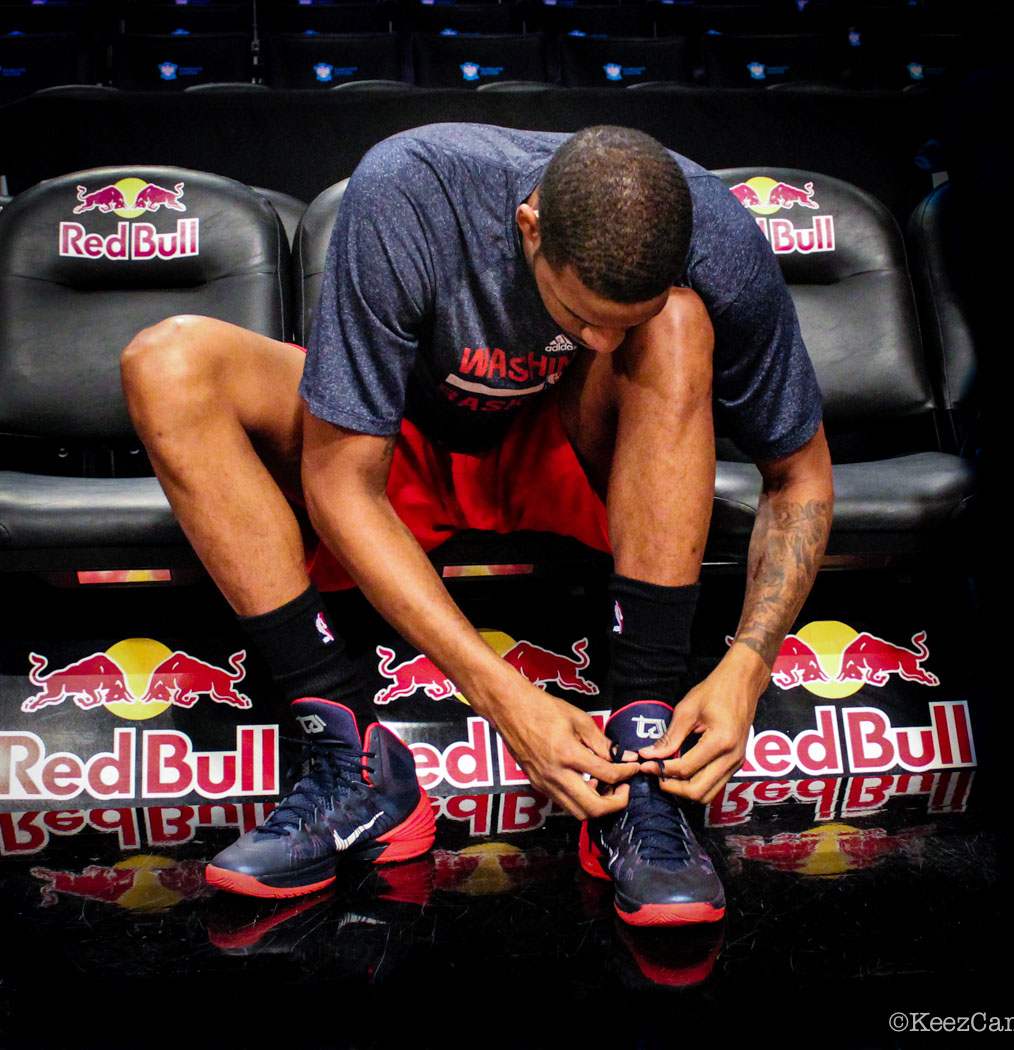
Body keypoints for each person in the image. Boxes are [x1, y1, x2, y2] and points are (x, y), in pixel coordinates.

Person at [121, 124, 833, 924]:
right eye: (581, 313)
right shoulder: (411, 191)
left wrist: (750, 663)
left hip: (570, 451)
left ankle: (643, 765)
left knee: (676, 325)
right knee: (166, 362)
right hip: (398, 446)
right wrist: (500, 695)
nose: (597, 338)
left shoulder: (718, 232)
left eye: (615, 323)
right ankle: (352, 764)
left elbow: (799, 476)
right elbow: (342, 481)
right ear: (529, 226)